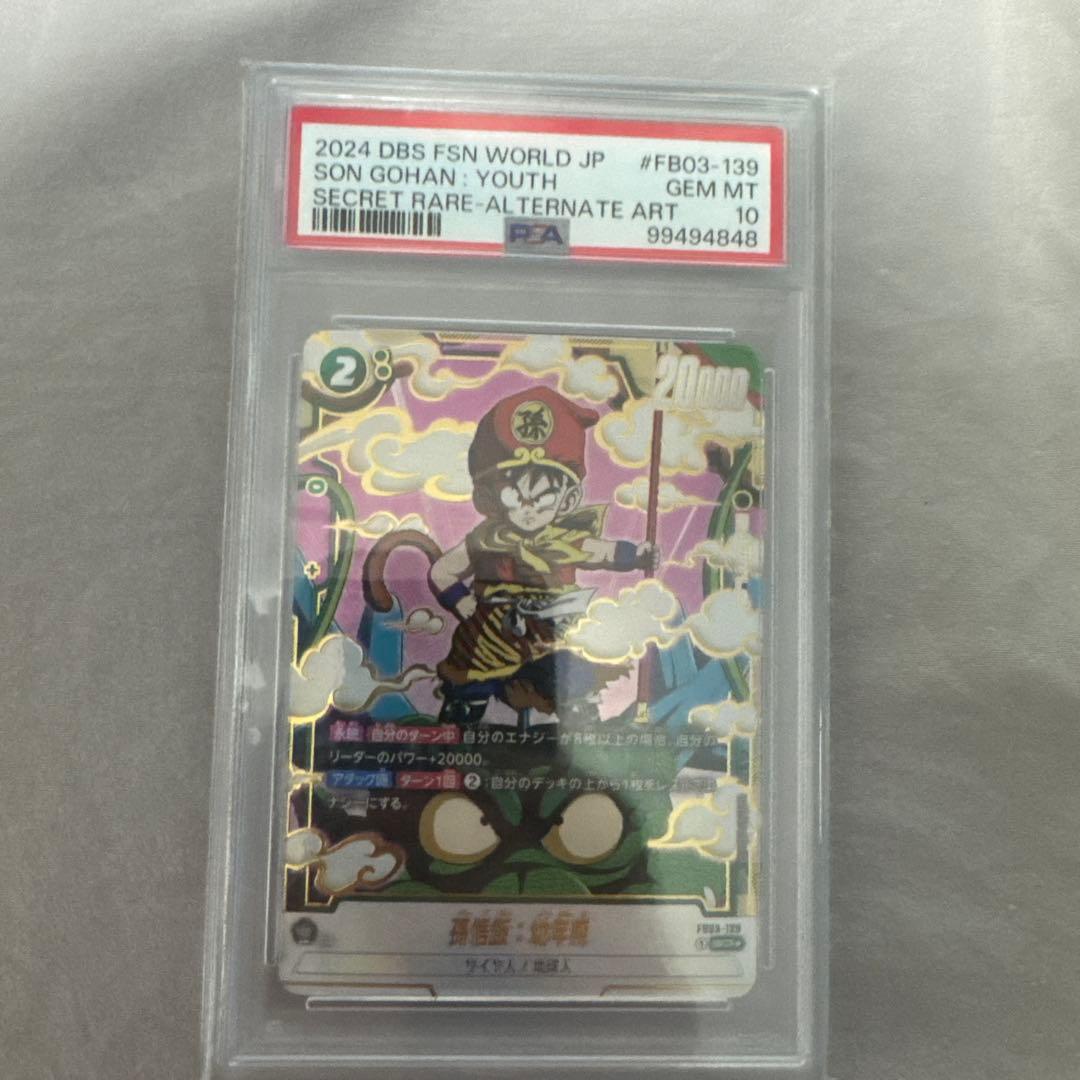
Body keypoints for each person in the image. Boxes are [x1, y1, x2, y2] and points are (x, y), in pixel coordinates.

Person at [429, 387, 656, 729]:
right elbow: (442, 571)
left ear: (568, 499)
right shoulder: (486, 539)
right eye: (515, 494)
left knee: (572, 670)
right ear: (491, 496)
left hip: (554, 627)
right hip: (492, 630)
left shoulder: (566, 538)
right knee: (472, 669)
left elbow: (603, 552)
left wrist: (637, 555)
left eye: (543, 495)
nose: (529, 506)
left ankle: (579, 713)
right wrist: (461, 602)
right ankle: (464, 712)